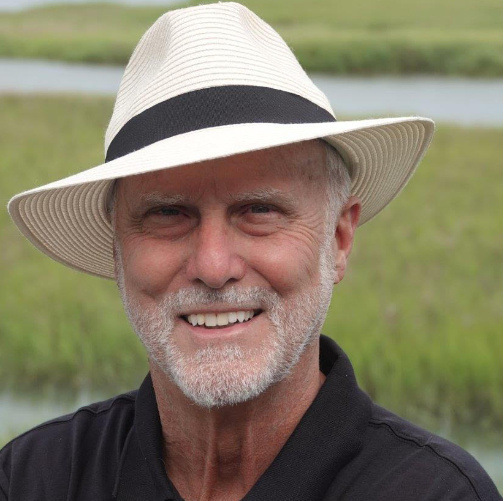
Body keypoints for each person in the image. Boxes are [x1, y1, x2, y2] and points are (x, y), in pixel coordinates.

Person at [1, 2, 500, 500]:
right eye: (169, 214)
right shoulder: (34, 479)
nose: (213, 267)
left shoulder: (435, 493)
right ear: (117, 250)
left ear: (338, 238)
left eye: (259, 211)